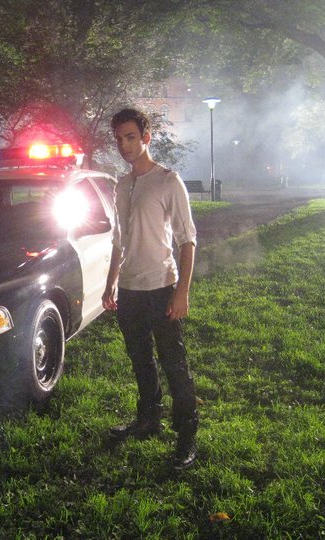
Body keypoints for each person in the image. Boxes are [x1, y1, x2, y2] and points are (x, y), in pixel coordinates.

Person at [102, 108, 199, 470]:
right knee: (140, 359)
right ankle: (148, 419)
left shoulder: (167, 181)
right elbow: (119, 240)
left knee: (174, 364)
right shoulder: (122, 185)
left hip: (161, 287)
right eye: (119, 139)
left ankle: (186, 435)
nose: (124, 145)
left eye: (131, 137)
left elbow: (187, 240)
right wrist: (111, 282)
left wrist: (181, 292)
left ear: (146, 137)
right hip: (129, 289)